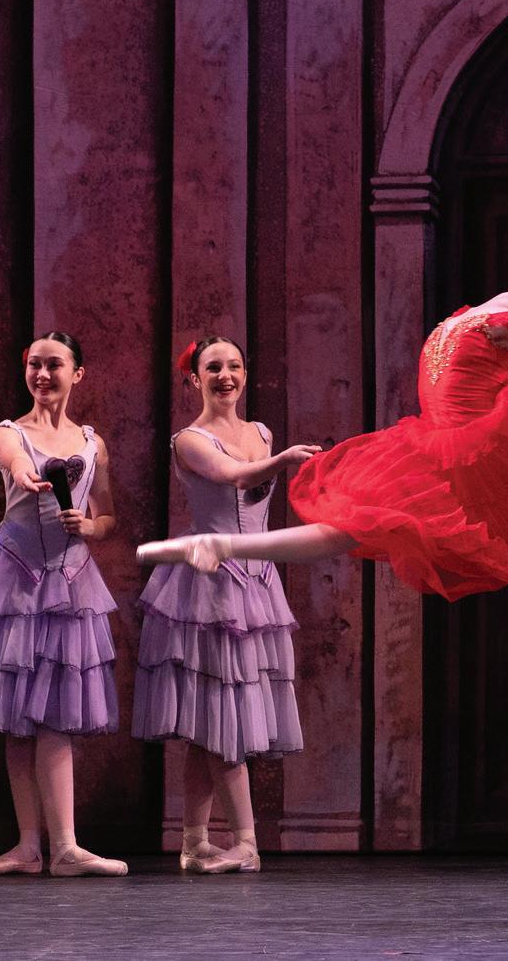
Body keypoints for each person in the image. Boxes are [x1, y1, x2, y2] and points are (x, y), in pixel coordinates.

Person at [140, 210, 508, 600]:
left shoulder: (478, 321)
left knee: (346, 527)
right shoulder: (487, 321)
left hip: (454, 448)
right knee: (346, 528)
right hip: (459, 452)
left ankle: (222, 545)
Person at [0, 332, 126, 877]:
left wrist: (89, 526)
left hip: (69, 582)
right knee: (18, 719)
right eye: (34, 364)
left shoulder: (92, 444)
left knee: (56, 713)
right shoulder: (9, 432)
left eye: (54, 364)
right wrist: (24, 474)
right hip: (15, 579)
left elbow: (108, 516)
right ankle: (28, 846)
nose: (42, 374)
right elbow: (13, 459)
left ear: (77, 373)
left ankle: (65, 846)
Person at [132, 336, 312, 874]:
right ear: (195, 378)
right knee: (219, 718)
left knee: (208, 726)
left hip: (257, 582)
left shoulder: (261, 432)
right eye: (214, 368)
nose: (226, 376)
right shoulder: (190, 440)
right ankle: (247, 844)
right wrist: (285, 460)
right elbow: (235, 476)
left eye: (234, 366)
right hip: (211, 585)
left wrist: (280, 456)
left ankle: (193, 842)